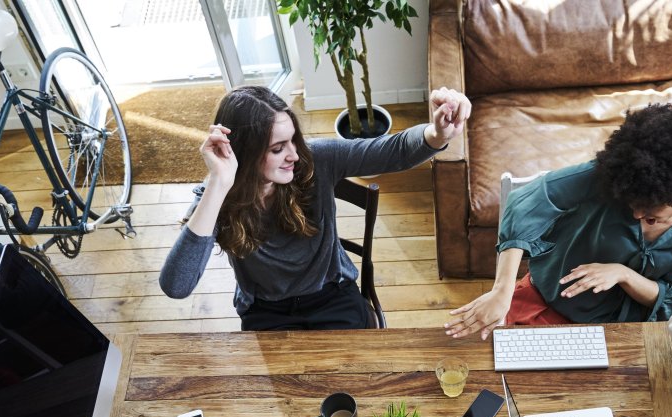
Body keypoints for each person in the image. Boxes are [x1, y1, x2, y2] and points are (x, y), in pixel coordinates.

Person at [160, 85, 472, 330]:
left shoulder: (316, 159)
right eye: (278, 148)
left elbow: (395, 150)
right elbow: (177, 286)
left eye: (293, 141)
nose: (294, 155)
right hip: (266, 311)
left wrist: (436, 134)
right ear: (244, 151)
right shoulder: (218, 191)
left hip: (331, 295)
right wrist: (218, 185)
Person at [446, 102, 672, 339]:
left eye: (650, 211)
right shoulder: (609, 176)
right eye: (632, 204)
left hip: (628, 329)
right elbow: (521, 205)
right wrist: (501, 290)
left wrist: (623, 274)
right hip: (549, 305)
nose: (637, 216)